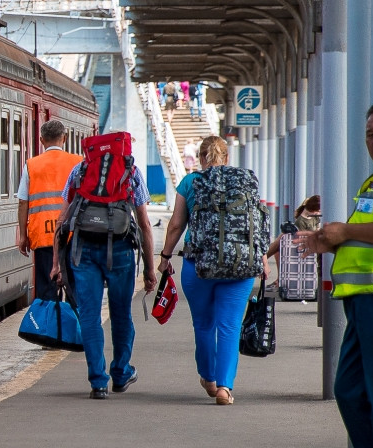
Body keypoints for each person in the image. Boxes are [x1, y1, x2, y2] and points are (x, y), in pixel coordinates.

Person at [294, 102, 373, 448]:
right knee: (348, 389)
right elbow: (363, 235)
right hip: (359, 301)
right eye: (370, 133)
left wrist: (343, 230)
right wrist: (325, 240)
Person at [157, 135, 270, 405]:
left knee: (204, 324)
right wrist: (263, 259)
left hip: (198, 266)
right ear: (227, 157)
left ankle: (208, 377)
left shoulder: (190, 182)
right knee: (230, 326)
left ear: (201, 158)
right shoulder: (245, 180)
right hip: (240, 266)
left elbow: (175, 225)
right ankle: (224, 388)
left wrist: (165, 256)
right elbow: (255, 222)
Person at [50, 152, 157, 400]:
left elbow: (61, 219)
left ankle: (98, 382)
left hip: (83, 250)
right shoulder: (131, 171)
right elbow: (144, 224)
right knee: (121, 313)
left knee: (89, 315)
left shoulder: (80, 170)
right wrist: (150, 268)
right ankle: (120, 373)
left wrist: (56, 263)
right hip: (120, 249)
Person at [17, 120, 82, 302]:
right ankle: (72, 328)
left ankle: (49, 329)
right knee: (74, 291)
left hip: (44, 237)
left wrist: (23, 236)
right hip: (73, 236)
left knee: (47, 293)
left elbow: (23, 202)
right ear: (65, 138)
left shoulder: (31, 165)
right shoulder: (79, 163)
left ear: (41, 140)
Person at [265, 194, 321, 289]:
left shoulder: (314, 217)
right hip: (308, 246)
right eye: (318, 210)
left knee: (280, 242)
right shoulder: (301, 221)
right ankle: (274, 274)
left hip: (313, 243)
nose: (320, 212)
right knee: (280, 245)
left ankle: (266, 263)